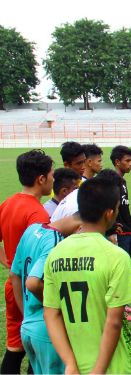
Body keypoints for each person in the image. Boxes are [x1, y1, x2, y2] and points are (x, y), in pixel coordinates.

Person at [42, 170, 131, 374]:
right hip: (112, 366)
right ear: (109, 213)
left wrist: (69, 363)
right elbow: (113, 322)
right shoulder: (115, 256)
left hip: (74, 364)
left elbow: (51, 314)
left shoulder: (56, 253)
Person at [0, 150, 53, 374]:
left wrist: (11, 264)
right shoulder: (38, 215)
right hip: (31, 290)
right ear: (41, 179)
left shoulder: (7, 204)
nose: (53, 179)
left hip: (13, 287)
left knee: (15, 346)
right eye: (51, 175)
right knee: (37, 345)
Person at [9, 215, 81, 374]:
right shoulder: (56, 242)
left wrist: (26, 314)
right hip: (48, 331)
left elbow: (14, 273)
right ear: (79, 228)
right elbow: (33, 282)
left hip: (28, 328)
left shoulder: (32, 229)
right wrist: (57, 308)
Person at [108, 145, 131, 321]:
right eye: (127, 161)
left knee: (126, 267)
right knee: (118, 270)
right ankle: (118, 309)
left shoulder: (123, 181)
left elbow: (124, 205)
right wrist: (114, 227)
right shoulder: (113, 181)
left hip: (128, 230)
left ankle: (124, 305)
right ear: (117, 162)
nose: (130, 164)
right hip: (119, 232)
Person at [52, 145, 106, 223]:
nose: (84, 167)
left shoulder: (85, 185)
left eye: (84, 162)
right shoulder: (60, 188)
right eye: (79, 163)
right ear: (66, 165)